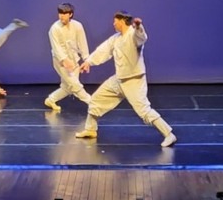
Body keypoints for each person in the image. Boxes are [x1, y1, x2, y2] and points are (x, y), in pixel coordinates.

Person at [75, 10, 177, 147]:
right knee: (96, 99)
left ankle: (169, 134)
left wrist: (139, 26)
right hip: (119, 80)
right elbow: (103, 50)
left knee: (144, 111)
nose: (113, 24)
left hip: (134, 81)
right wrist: (89, 62)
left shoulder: (133, 34)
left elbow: (141, 37)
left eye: (115, 21)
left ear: (122, 21)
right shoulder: (116, 38)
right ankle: (90, 129)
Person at [44, 2, 92, 112]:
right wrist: (64, 60)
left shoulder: (78, 26)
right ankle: (93, 103)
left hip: (74, 60)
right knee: (75, 85)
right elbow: (56, 48)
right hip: (60, 62)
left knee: (68, 87)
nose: (61, 16)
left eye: (64, 13)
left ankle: (51, 100)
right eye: (60, 13)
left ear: (70, 14)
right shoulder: (54, 28)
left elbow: (82, 43)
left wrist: (86, 60)